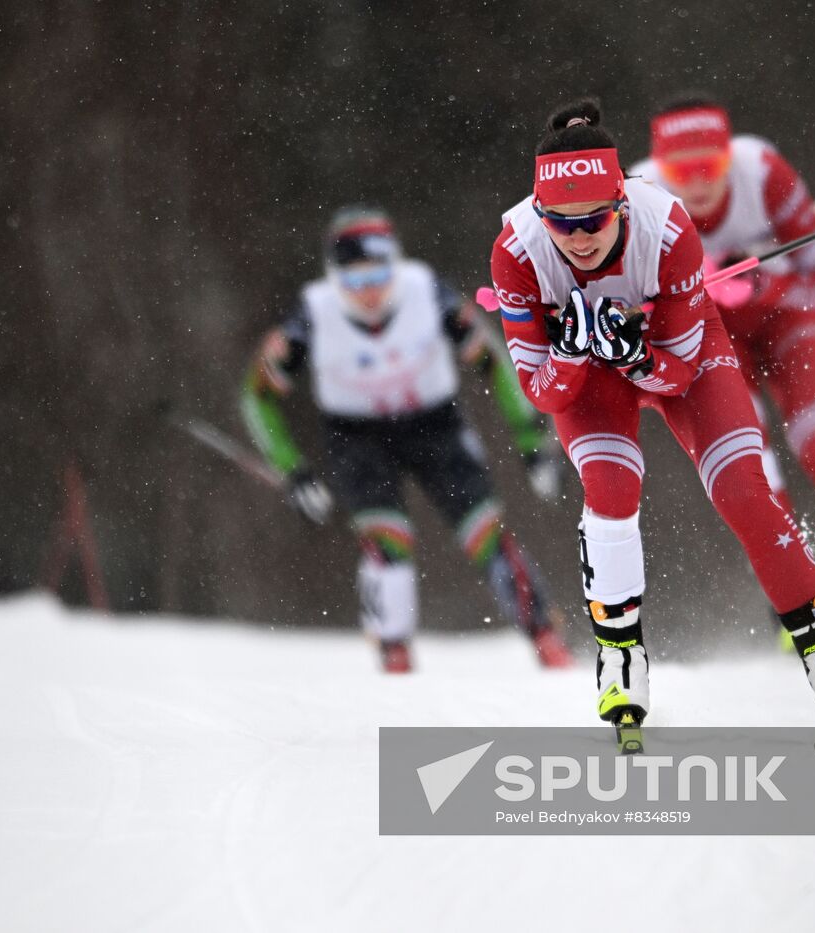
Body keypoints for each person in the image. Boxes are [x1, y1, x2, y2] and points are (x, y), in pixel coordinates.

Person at [488, 98, 815, 744]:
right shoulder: (517, 249)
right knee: (611, 490)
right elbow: (541, 389)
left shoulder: (665, 225)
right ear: (540, 215)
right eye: (561, 222)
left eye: (594, 220)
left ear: (621, 202)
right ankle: (620, 658)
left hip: (678, 356)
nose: (579, 237)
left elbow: (675, 370)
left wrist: (634, 350)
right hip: (588, 376)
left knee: (744, 491)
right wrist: (574, 348)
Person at [241, 206, 571, 673]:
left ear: (395, 265)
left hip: (435, 427)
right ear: (334, 279)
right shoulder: (311, 315)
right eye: (353, 281)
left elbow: (496, 363)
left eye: (378, 274)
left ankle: (546, 638)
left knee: (486, 533)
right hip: (357, 438)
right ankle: (393, 654)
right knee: (386, 544)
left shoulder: (426, 292)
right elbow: (257, 397)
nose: (369, 291)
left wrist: (532, 438)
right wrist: (291, 467)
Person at [629, 96, 815, 542]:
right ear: (662, 168)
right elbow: (639, 317)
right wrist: (683, 293)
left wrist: (764, 285)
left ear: (730, 156)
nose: (699, 183)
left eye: (710, 165)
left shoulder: (763, 172)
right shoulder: (640, 200)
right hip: (713, 339)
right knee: (753, 470)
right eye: (682, 171)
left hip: (786, 321)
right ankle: (800, 592)